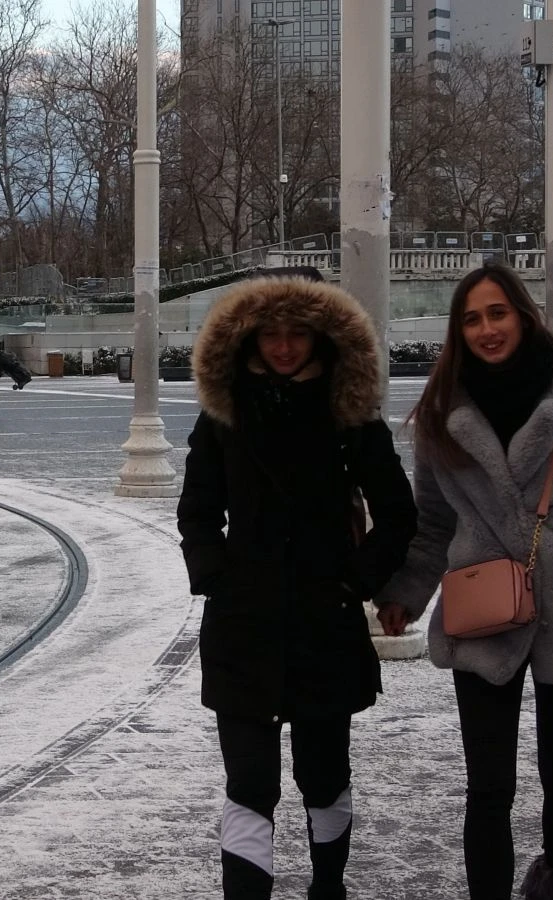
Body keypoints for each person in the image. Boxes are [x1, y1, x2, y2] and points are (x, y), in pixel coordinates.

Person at [374, 264, 553, 900]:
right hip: (482, 605)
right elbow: (433, 522)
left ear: (523, 316)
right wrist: (407, 593)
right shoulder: (443, 411)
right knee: (488, 784)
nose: (487, 329)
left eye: (497, 313)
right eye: (472, 319)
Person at [178, 274, 417, 900]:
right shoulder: (225, 414)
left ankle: (327, 888)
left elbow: (398, 513)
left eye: (298, 334)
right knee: (249, 784)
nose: (284, 347)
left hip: (323, 620)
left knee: (325, 776)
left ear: (322, 338)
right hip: (244, 623)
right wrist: (216, 575)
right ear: (250, 338)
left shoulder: (349, 416)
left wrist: (357, 580)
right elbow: (197, 509)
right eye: (271, 334)